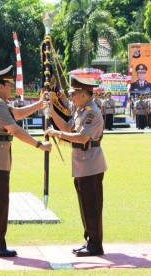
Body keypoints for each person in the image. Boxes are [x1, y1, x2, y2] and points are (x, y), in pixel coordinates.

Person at [0, 65, 51, 257]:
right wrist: (39, 145)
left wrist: (40, 104)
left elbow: (17, 114)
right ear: (0, 86)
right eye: (9, 85)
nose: (11, 88)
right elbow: (15, 129)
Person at [45, 76, 106, 257]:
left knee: (92, 206)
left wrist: (56, 133)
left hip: (91, 164)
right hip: (82, 164)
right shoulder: (81, 111)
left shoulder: (91, 113)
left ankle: (95, 244)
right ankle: (90, 240)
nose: (71, 97)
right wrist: (52, 113)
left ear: (84, 94)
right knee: (84, 205)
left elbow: (81, 137)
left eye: (73, 94)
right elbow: (67, 127)